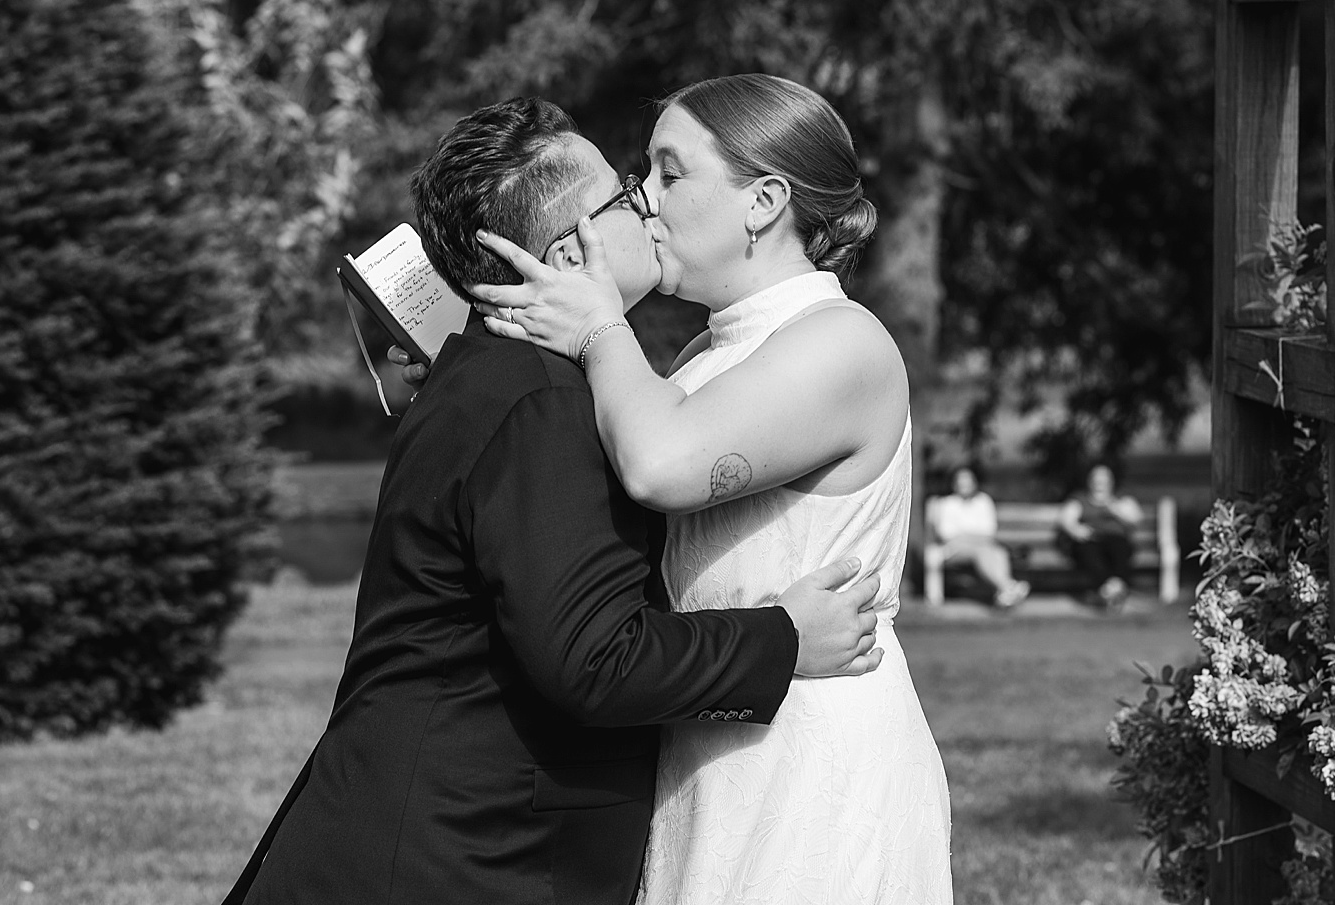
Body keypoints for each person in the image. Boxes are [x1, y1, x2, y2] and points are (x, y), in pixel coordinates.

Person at [226, 97, 885, 904]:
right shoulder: (542, 398)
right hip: (457, 860)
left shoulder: (512, 379)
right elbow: (595, 658)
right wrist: (782, 639)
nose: (645, 201)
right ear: (573, 250)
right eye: (624, 193)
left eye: (659, 177)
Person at [469, 74, 953, 903]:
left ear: (763, 200)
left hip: (812, 763)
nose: (642, 197)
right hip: (712, 744)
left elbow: (662, 465)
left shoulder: (843, 340)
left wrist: (597, 328)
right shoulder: (703, 355)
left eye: (670, 171)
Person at [924, 464, 1031, 609]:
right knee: (983, 551)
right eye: (960, 481)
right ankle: (1009, 586)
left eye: (967, 480)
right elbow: (947, 535)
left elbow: (989, 532)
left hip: (983, 547)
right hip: (952, 551)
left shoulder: (983, 501)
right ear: (953, 483)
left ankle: (1006, 590)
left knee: (998, 552)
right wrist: (974, 537)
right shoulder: (947, 504)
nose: (964, 484)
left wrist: (964, 535)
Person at [1057, 462, 1142, 611]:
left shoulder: (1121, 499)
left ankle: (1109, 590)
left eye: (1103, 480)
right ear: (1089, 482)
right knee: (1089, 552)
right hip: (1090, 539)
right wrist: (1076, 529)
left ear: (1111, 482)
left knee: (1120, 549)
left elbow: (1135, 518)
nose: (1099, 484)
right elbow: (1066, 519)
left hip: (1116, 539)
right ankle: (1113, 588)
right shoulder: (1080, 499)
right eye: (1096, 480)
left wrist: (1115, 508)